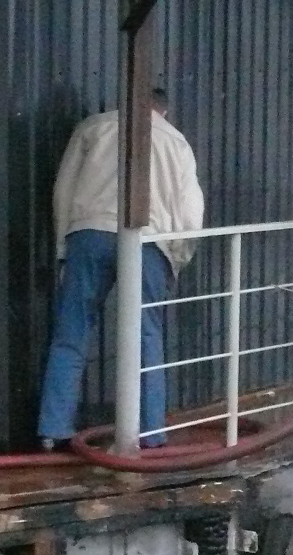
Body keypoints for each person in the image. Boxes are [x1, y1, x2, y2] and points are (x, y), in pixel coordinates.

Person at [37, 89, 205, 448]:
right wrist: (177, 259)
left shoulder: (92, 127)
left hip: (89, 233)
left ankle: (54, 430)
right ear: (164, 110)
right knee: (147, 337)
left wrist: (64, 248)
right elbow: (191, 214)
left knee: (71, 333)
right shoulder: (176, 142)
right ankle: (150, 434)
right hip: (148, 241)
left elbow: (62, 191)